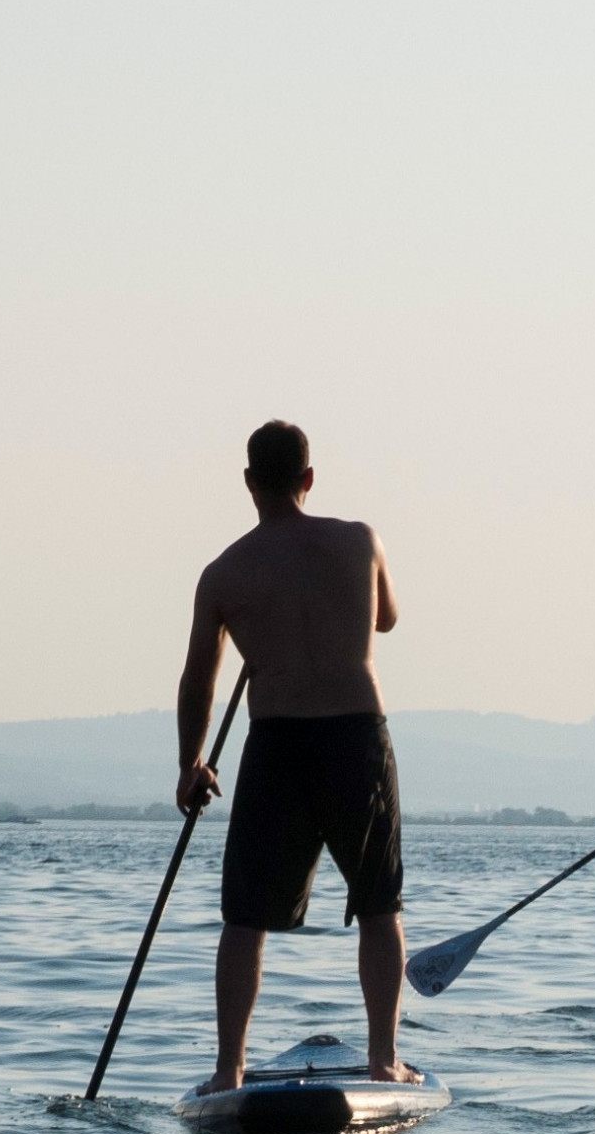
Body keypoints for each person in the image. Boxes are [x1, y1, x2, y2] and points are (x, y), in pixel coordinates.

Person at [176, 420, 416, 1093]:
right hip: (355, 738)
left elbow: (198, 678)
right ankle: (383, 1060)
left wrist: (192, 764)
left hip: (276, 743)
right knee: (378, 906)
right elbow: (387, 617)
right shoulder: (360, 541)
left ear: (249, 482)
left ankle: (229, 1068)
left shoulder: (224, 574)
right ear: (309, 478)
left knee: (244, 919)